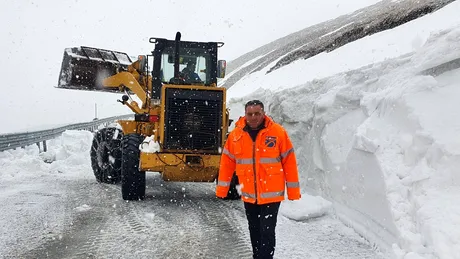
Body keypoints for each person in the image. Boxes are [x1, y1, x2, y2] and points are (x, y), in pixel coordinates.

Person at [216, 100, 301, 259]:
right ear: (245, 114)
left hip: (271, 194)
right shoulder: (236, 135)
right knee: (254, 230)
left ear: (263, 113)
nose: (253, 117)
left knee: (267, 231)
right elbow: (227, 163)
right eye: (250, 114)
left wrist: (293, 191)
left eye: (257, 113)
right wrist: (222, 188)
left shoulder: (277, 133)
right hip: (248, 193)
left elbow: (289, 162)